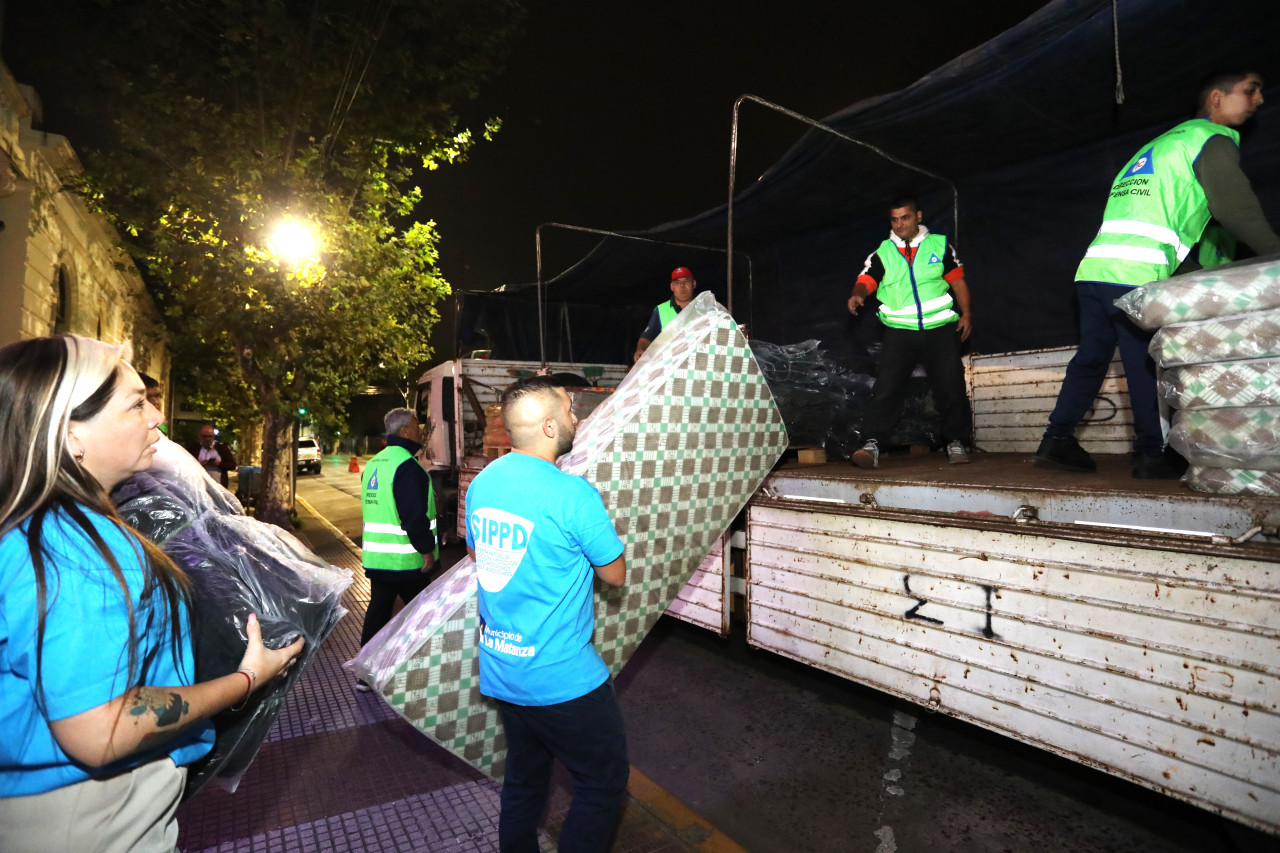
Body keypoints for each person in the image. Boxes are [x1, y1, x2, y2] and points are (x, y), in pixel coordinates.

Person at [0, 334, 302, 852]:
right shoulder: (76, 547)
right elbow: (103, 729)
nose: (156, 419)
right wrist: (248, 678)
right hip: (89, 817)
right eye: (137, 403)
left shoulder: (44, 525)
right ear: (72, 434)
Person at [1037, 70, 1280, 479]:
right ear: (1216, 99)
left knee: (1091, 359)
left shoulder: (1156, 147)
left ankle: (1056, 439)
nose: (1259, 100)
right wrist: (1275, 256)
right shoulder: (1210, 140)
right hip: (1137, 273)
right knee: (1147, 364)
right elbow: (1235, 211)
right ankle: (1152, 453)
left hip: (1093, 270)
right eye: (1250, 90)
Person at [466, 376, 628, 853]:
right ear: (551, 427)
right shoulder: (571, 494)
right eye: (570, 411)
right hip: (561, 676)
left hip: (502, 666)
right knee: (602, 784)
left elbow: (480, 556)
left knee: (524, 780)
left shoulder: (483, 483)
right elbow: (615, 575)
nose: (577, 417)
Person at [847, 196, 974, 468]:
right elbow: (866, 279)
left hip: (939, 328)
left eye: (905, 217)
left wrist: (967, 315)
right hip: (899, 331)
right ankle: (873, 444)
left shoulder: (939, 245)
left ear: (918, 216)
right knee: (886, 388)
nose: (899, 223)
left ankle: (955, 441)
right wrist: (858, 295)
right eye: (894, 219)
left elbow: (957, 281)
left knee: (950, 384)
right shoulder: (883, 252)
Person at [355, 408, 438, 689]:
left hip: (378, 559)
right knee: (421, 617)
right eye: (417, 427)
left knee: (378, 612)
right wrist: (426, 549)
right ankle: (418, 672)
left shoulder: (374, 464)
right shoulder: (408, 467)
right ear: (404, 432)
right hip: (406, 561)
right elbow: (413, 517)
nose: (420, 431)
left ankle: (364, 675)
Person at [633, 266, 697, 363]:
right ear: (672, 286)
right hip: (669, 366)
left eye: (687, 281)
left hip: (698, 365)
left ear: (694, 284)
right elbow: (647, 337)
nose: (682, 286)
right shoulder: (661, 310)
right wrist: (640, 350)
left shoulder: (705, 307)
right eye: (677, 282)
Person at [185, 423, 237, 488]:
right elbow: (184, 466)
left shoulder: (222, 449)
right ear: (200, 436)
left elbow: (232, 466)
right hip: (198, 486)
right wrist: (198, 464)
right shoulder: (193, 449)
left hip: (218, 487)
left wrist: (219, 464)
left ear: (214, 437)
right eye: (205, 436)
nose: (207, 439)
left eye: (210, 436)